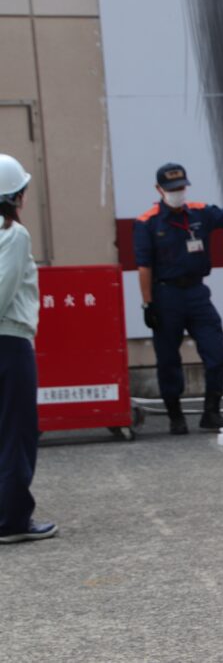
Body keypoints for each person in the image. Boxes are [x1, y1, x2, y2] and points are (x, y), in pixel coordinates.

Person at [133, 163, 223, 435]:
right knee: (168, 359)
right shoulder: (147, 222)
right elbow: (144, 267)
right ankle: (175, 416)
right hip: (165, 295)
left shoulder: (200, 213)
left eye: (181, 187)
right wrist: (147, 304)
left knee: (216, 352)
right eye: (172, 189)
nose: (177, 193)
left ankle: (211, 413)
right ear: (159, 190)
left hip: (196, 293)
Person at [0, 154, 57, 544]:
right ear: (16, 196)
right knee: (16, 432)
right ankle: (12, 520)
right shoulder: (14, 234)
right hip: (9, 342)